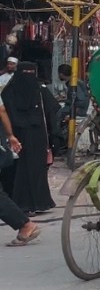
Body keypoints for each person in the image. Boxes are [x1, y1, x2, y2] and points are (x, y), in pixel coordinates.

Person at [0, 62, 56, 215]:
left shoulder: (9, 90)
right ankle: (38, 202)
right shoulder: (39, 90)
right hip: (36, 136)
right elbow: (53, 111)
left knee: (18, 169)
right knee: (34, 170)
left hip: (15, 135)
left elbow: (4, 112)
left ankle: (17, 202)